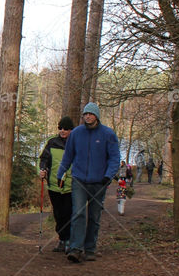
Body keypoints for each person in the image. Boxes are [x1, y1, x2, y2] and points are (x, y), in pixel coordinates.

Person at [56, 102, 121, 263]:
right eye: (85, 114)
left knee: (94, 216)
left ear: (96, 116)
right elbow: (68, 156)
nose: (88, 116)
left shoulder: (108, 134)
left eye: (91, 114)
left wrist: (108, 176)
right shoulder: (76, 134)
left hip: (99, 182)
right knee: (78, 213)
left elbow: (114, 158)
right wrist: (60, 173)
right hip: (79, 180)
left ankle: (90, 248)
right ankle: (75, 249)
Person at [39, 116, 75, 252]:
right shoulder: (52, 142)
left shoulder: (76, 143)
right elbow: (44, 159)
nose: (62, 131)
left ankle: (68, 240)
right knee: (58, 214)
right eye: (60, 128)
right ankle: (62, 239)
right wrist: (42, 170)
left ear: (71, 130)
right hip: (53, 186)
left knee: (68, 213)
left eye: (65, 128)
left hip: (70, 186)